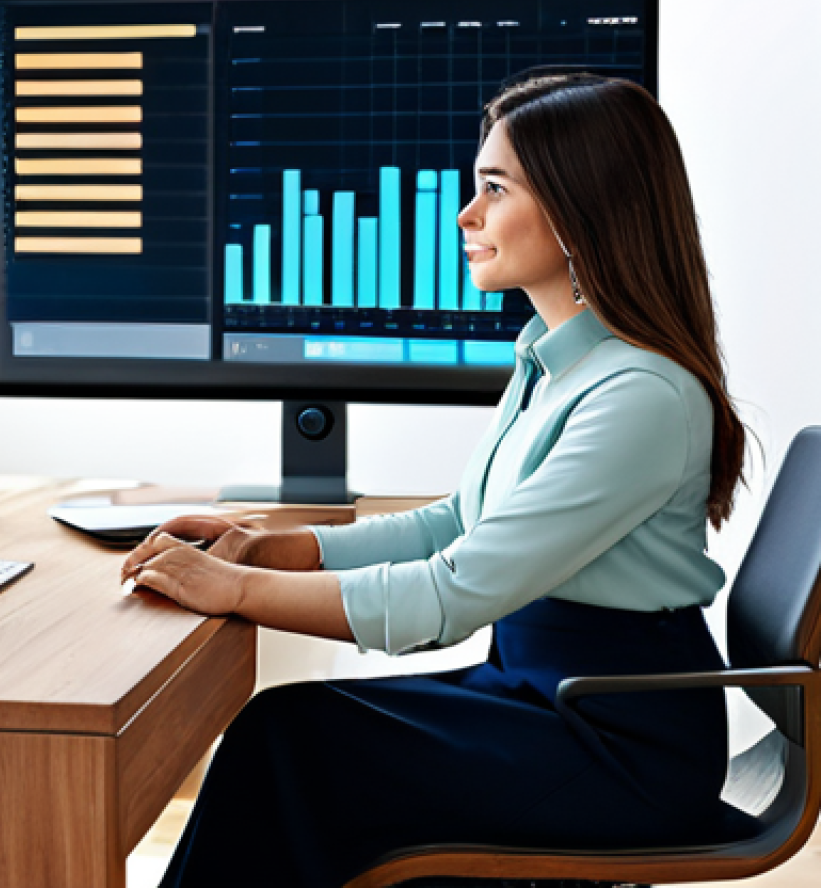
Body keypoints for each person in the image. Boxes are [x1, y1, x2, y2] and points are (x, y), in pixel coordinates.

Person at [120, 72, 750, 888]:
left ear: (579, 206)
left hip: (617, 744)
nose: (467, 214)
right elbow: (458, 523)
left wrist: (232, 589)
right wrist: (272, 550)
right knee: (292, 738)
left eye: (495, 188)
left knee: (290, 743)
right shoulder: (552, 360)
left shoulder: (642, 397)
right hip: (545, 695)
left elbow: (451, 596)